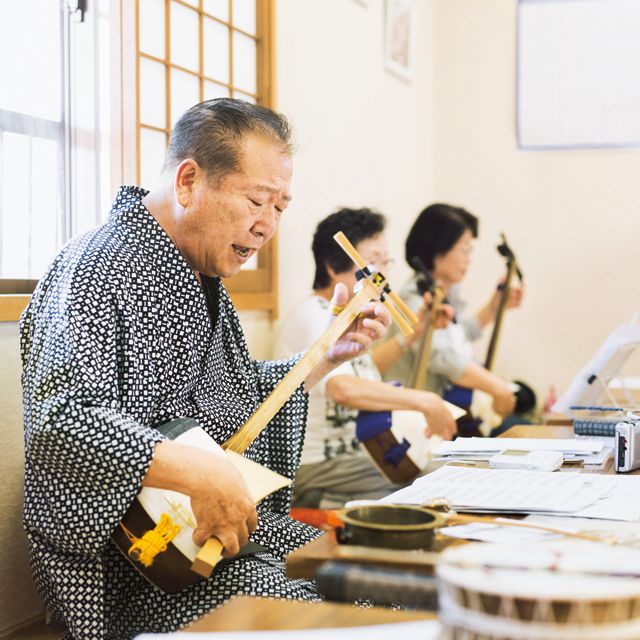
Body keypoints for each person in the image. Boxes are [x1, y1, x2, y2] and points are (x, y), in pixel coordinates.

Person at [20, 99, 390, 640]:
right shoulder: (96, 269)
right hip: (142, 566)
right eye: (257, 201)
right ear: (189, 181)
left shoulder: (201, 276)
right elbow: (60, 423)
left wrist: (324, 357)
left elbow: (241, 397)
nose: (267, 226)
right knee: (327, 615)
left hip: (219, 535)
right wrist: (197, 469)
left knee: (379, 575)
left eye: (281, 207)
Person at [274, 208, 457, 509]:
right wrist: (424, 400)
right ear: (334, 265)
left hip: (362, 456)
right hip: (319, 466)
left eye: (386, 262)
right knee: (436, 481)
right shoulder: (314, 315)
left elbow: (366, 370)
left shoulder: (348, 317)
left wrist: (416, 331)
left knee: (443, 465)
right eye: (373, 262)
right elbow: (342, 388)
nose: (383, 275)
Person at [374, 203, 523, 427]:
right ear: (438, 249)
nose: (468, 258)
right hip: (410, 425)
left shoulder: (441, 292)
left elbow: (457, 335)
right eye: (464, 249)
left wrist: (493, 309)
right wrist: (498, 388)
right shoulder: (415, 299)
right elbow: (446, 358)